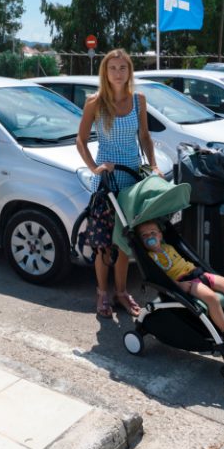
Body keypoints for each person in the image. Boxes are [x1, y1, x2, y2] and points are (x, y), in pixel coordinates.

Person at [77, 49, 161, 319]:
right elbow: (80, 140)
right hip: (106, 182)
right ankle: (102, 293)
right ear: (105, 71)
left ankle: (121, 292)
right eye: (112, 68)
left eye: (122, 68)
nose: (117, 73)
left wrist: (154, 165)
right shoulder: (95, 101)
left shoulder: (139, 100)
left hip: (132, 180)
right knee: (103, 243)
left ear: (129, 72)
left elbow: (146, 136)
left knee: (125, 243)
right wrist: (94, 167)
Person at [135, 220, 224, 349]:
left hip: (198, 272)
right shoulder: (151, 257)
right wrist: (179, 285)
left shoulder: (169, 247)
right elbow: (162, 277)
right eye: (144, 235)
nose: (150, 237)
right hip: (188, 281)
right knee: (211, 298)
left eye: (153, 233)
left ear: (160, 235)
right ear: (141, 241)